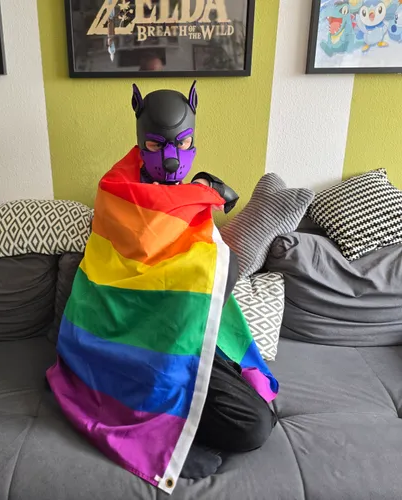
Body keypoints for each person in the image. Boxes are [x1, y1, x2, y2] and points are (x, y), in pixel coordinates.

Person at [132, 81, 277, 479]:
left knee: (260, 416)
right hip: (148, 339)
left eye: (182, 143)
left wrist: (202, 188)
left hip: (197, 332)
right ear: (141, 141)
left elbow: (226, 203)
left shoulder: (195, 196)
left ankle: (183, 416)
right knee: (252, 427)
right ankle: (165, 436)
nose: (171, 158)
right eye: (156, 145)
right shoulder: (122, 199)